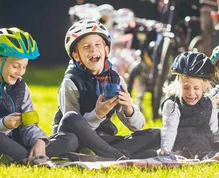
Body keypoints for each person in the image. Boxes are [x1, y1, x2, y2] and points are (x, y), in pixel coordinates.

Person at [0, 27, 77, 165]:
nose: (20, 72)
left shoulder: (21, 86)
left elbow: (29, 124)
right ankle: (35, 158)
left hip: (19, 144)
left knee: (70, 139)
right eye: (16, 66)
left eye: (24, 66)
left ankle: (28, 156)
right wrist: (4, 124)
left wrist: (39, 141)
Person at [51, 19, 160, 160]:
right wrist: (97, 114)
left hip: (104, 140)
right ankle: (117, 155)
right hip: (76, 140)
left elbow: (138, 127)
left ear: (106, 50)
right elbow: (72, 126)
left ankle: (101, 154)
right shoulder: (70, 83)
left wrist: (129, 109)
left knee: (156, 134)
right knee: (71, 118)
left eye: (98, 45)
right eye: (86, 47)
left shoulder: (116, 80)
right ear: (76, 55)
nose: (93, 50)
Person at [159, 52, 219, 162]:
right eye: (185, 88)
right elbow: (169, 128)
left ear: (204, 87)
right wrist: (166, 149)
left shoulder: (209, 104)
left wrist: (217, 143)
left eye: (196, 88)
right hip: (182, 144)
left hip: (205, 141)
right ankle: (207, 157)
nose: (191, 93)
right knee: (195, 139)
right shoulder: (173, 104)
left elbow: (214, 130)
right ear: (178, 85)